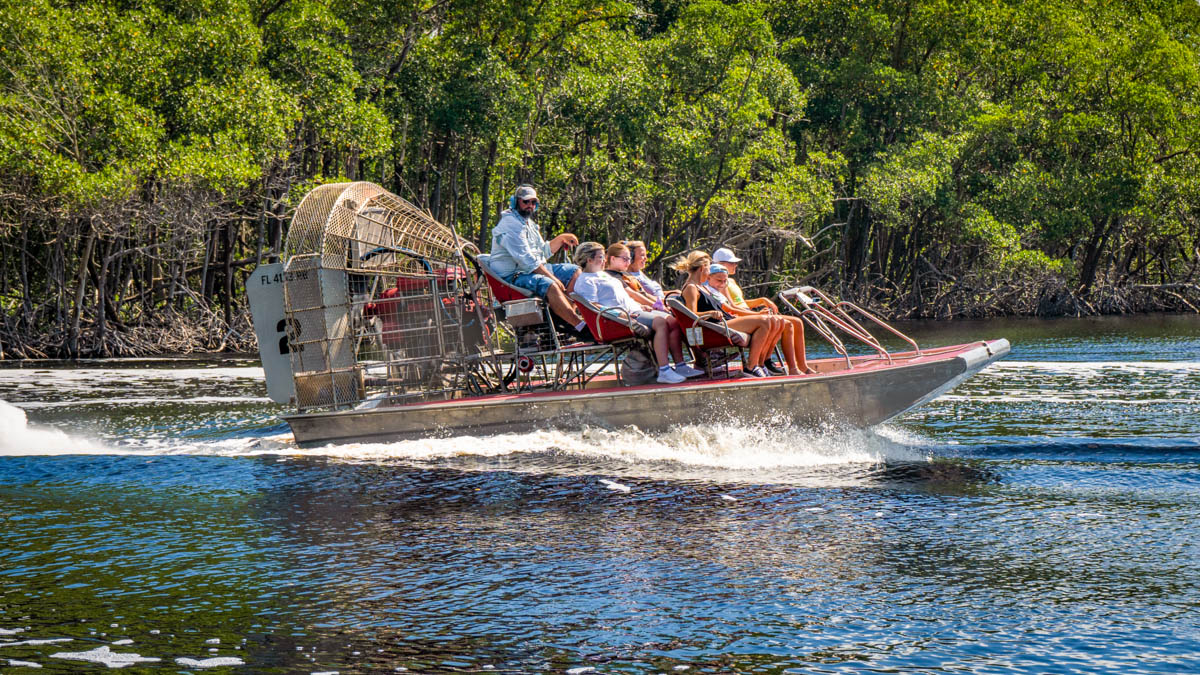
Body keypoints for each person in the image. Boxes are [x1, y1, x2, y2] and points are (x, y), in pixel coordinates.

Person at [573, 242, 702, 384]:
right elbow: (593, 307)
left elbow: (624, 296)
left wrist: (643, 306)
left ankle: (680, 365)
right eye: (601, 257)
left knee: (673, 320)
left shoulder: (604, 275)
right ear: (589, 260)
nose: (604, 260)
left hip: (633, 311)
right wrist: (619, 315)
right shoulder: (585, 280)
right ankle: (664, 370)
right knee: (660, 323)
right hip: (616, 320)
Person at [488, 184, 587, 334]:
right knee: (550, 284)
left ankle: (565, 320)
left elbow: (542, 252)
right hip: (513, 277)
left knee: (575, 272)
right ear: (516, 202)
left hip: (529, 270)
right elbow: (527, 261)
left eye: (533, 202)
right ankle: (580, 327)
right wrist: (553, 278)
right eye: (526, 202)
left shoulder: (529, 224)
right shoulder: (511, 225)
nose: (530, 206)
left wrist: (561, 238)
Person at [673, 251, 781, 378]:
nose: (708, 274)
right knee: (764, 321)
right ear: (703, 268)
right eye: (708, 269)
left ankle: (760, 365)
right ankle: (751, 367)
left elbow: (727, 306)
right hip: (713, 327)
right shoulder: (691, 288)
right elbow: (690, 315)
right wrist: (710, 312)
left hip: (723, 322)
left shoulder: (702, 287)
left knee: (772, 320)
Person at [706, 264, 814, 375]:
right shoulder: (708, 287)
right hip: (737, 316)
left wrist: (761, 301)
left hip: (743, 314)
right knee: (775, 322)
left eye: (724, 281)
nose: (735, 265)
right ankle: (761, 364)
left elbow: (734, 304)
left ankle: (793, 365)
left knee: (792, 322)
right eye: (731, 262)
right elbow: (730, 308)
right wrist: (756, 314)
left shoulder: (726, 283)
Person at [621, 240, 667, 309]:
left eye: (646, 255)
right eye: (642, 255)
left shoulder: (639, 272)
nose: (646, 258)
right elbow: (643, 296)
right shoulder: (628, 277)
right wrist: (664, 303)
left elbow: (656, 292)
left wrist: (672, 293)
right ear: (631, 257)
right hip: (657, 306)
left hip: (663, 301)